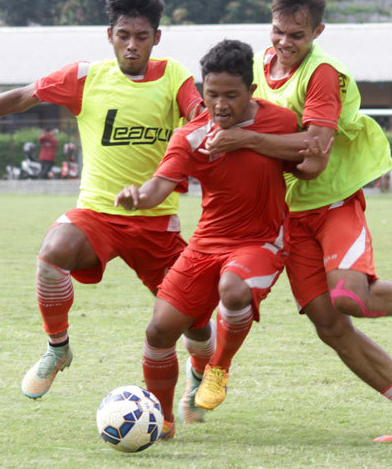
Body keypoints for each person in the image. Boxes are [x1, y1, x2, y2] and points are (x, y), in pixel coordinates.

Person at [201, 0, 392, 442]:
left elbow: (315, 150)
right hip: (286, 216)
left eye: (297, 36)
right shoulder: (259, 68)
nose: (285, 44)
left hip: (333, 205)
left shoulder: (324, 73)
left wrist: (247, 141)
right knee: (329, 325)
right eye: (278, 32)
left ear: (317, 32)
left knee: (352, 298)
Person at [0, 0, 205, 402]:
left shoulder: (174, 75)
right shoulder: (86, 77)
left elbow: (199, 115)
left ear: (156, 39)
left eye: (141, 36)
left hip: (156, 221)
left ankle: (200, 370)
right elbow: (21, 97)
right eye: (123, 34)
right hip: (97, 215)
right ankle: (58, 349)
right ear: (109, 34)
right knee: (53, 252)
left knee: (194, 318)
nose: (131, 45)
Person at [116, 39, 325, 439]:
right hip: (206, 244)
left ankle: (219, 367)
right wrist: (137, 197)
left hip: (262, 241)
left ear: (251, 91)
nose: (221, 105)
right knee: (159, 332)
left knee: (234, 288)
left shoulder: (281, 121)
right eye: (211, 95)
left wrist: (257, 144)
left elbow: (311, 155)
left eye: (231, 95)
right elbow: (159, 187)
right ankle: (163, 422)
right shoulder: (191, 136)